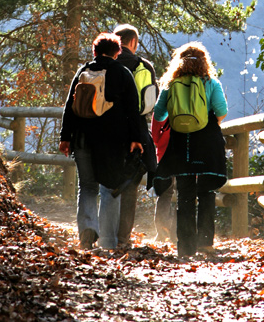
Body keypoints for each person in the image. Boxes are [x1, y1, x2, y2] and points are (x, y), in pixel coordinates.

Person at [59, 32, 143, 250]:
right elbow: (133, 110)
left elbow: (70, 107)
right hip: (112, 141)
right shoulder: (122, 72)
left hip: (82, 138)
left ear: (94, 51)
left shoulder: (83, 71)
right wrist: (136, 138)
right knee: (110, 187)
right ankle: (107, 242)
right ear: (117, 52)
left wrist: (65, 138)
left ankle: (87, 234)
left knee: (87, 186)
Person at [153, 42, 228, 258]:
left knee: (185, 194)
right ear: (205, 62)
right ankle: (205, 242)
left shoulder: (171, 84)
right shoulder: (211, 82)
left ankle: (185, 247)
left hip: (181, 145)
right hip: (207, 142)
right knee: (206, 192)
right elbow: (222, 110)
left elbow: (159, 114)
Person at [113, 23, 158, 248]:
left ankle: (106, 234)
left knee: (107, 181)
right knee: (130, 185)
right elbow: (150, 103)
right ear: (133, 42)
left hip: (108, 131)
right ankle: (123, 238)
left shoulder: (104, 64)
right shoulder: (143, 66)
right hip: (136, 133)